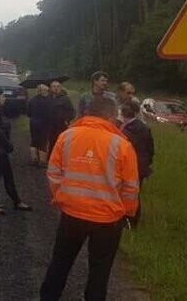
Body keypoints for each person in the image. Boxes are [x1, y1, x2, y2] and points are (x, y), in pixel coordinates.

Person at [40, 97, 139, 301]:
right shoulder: (122, 145)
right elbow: (130, 188)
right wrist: (127, 213)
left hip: (71, 214)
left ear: (86, 113)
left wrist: (61, 198)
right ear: (111, 117)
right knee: (99, 273)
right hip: (107, 220)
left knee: (60, 263)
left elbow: (53, 172)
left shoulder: (67, 136)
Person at [0, 87, 32, 214]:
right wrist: (8, 144)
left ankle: (17, 201)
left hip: (0, 150)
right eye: (2, 96)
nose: (4, 98)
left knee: (8, 176)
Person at [120, 100, 154, 227]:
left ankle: (131, 221)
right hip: (137, 165)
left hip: (136, 166)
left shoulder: (136, 128)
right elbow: (151, 149)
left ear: (133, 112)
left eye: (126, 108)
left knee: (133, 193)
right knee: (130, 192)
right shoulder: (132, 126)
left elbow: (146, 148)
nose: (124, 110)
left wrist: (143, 165)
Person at [47, 80, 76, 152]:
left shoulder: (65, 99)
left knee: (62, 143)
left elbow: (72, 112)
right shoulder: (48, 98)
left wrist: (67, 120)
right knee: (52, 143)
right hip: (50, 126)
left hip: (61, 125)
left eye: (58, 86)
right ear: (50, 88)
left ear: (61, 88)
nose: (56, 88)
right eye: (54, 87)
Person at [27, 83, 51, 167]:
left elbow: (28, 113)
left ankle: (34, 158)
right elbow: (50, 114)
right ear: (44, 91)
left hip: (33, 123)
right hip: (44, 124)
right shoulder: (48, 101)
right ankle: (42, 161)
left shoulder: (32, 100)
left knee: (34, 141)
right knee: (43, 142)